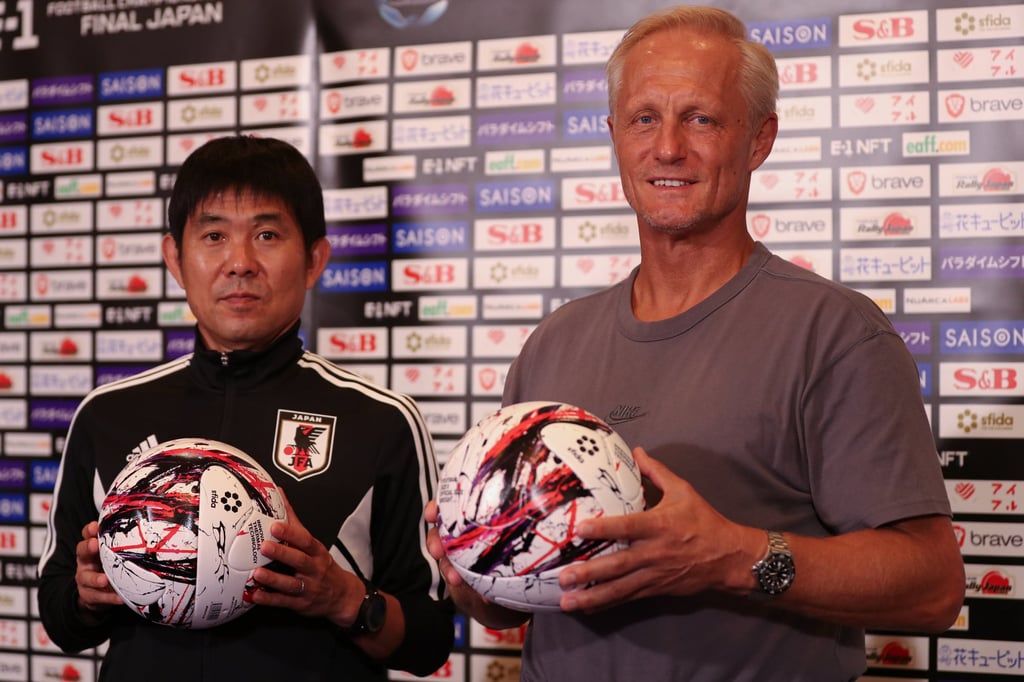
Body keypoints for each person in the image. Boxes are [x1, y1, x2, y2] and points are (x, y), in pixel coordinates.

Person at [425, 6, 965, 681]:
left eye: (701, 118)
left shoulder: (835, 333)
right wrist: (471, 560)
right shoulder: (555, 341)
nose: (668, 148)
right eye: (643, 118)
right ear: (615, 136)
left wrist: (731, 556)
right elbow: (504, 612)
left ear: (759, 140)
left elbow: (934, 588)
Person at [38, 135, 454, 681]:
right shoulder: (107, 413)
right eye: (213, 235)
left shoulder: (380, 420)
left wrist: (343, 598)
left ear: (314, 260)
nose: (240, 263)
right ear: (175, 259)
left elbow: (428, 640)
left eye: (267, 234)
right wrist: (88, 595)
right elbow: (60, 618)